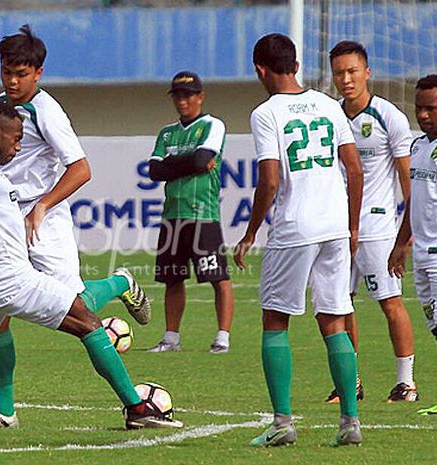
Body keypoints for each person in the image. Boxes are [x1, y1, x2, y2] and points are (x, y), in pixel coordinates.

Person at [0, 100, 181, 432]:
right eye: (16, 140)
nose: (18, 148)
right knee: (87, 322)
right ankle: (136, 407)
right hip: (8, 278)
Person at [0, 24, 151, 428]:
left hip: (45, 222)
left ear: (38, 72)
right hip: (5, 222)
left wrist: (41, 207)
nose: (13, 80)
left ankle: (120, 282)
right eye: (7, 71)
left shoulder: (47, 111)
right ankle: (5, 411)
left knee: (79, 308)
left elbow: (81, 168)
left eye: (21, 73)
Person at [234, 33, 364, 446]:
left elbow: (269, 178)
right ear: (296, 64)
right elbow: (355, 169)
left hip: (295, 227)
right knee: (334, 321)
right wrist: (353, 226)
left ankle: (282, 423)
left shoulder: (266, 112)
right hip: (335, 226)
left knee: (275, 321)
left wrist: (251, 231)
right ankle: (350, 423)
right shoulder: (329, 104)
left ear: (261, 69)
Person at [327, 40, 416, 403]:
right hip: (336, 227)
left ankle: (405, 382)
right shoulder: (330, 115)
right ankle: (353, 382)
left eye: (352, 71)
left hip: (377, 229)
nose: (346, 79)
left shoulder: (389, 116)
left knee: (390, 302)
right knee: (339, 304)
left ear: (367, 72)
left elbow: (408, 180)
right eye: (338, 73)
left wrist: (405, 237)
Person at [146, 70, 235, 354]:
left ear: (200, 97)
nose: (182, 101)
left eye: (188, 95)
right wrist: (190, 163)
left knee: (217, 277)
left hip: (202, 214)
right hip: (172, 215)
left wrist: (175, 163)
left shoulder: (212, 125)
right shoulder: (167, 132)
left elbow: (202, 159)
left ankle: (223, 337)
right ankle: (171, 337)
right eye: (178, 96)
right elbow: (154, 170)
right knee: (172, 278)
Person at [389, 74, 437, 416]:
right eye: (418, 108)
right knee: (436, 329)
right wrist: (401, 242)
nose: (423, 115)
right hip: (423, 253)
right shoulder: (419, 146)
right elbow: (415, 200)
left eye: (431, 108)